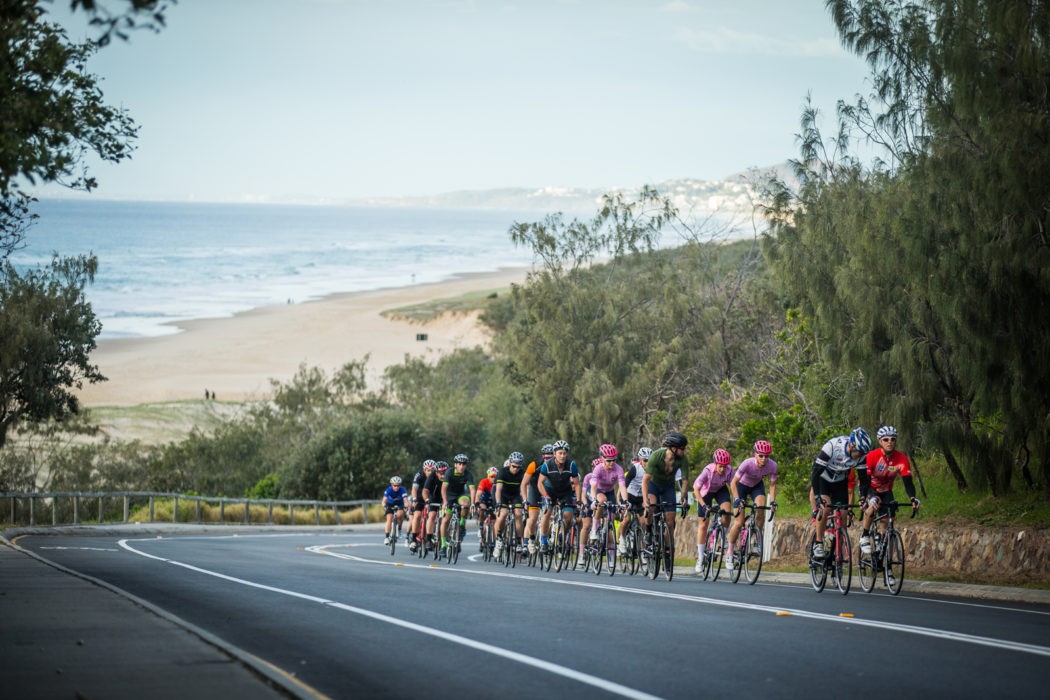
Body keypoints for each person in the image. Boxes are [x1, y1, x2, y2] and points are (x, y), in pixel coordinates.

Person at [859, 425, 921, 556]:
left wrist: (913, 498)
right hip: (870, 488)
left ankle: (887, 563)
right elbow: (866, 481)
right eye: (886, 439)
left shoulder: (901, 458)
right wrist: (867, 497)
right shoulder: (871, 456)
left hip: (886, 490)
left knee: (888, 524)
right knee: (873, 505)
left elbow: (908, 481)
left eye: (893, 439)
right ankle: (865, 535)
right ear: (880, 441)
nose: (890, 442)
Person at [810, 427, 871, 559]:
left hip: (840, 482)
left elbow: (863, 479)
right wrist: (817, 497)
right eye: (859, 452)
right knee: (825, 509)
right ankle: (819, 543)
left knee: (843, 515)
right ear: (852, 445)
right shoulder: (831, 447)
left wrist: (862, 498)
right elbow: (815, 474)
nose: (861, 456)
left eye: (863, 453)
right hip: (823, 479)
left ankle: (838, 552)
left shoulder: (861, 456)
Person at [727, 440, 778, 571]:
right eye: (761, 455)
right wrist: (737, 499)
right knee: (738, 523)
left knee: (760, 508)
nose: (764, 459)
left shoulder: (772, 466)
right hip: (741, 487)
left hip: (756, 486)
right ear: (755, 454)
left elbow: (772, 485)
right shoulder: (747, 463)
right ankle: (730, 553)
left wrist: (772, 502)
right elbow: (733, 483)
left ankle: (756, 540)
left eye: (766, 456)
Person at [641, 431, 691, 547]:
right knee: (651, 507)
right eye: (682, 448)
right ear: (673, 448)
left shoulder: (682, 459)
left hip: (668, 487)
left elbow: (684, 480)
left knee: (670, 520)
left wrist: (684, 497)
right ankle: (648, 530)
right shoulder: (656, 456)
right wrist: (645, 500)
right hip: (653, 485)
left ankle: (668, 548)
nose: (684, 451)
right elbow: (645, 480)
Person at [692, 448, 734, 573]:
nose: (722, 469)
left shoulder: (729, 470)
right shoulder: (707, 471)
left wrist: (738, 499)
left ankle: (723, 535)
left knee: (726, 512)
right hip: (705, 492)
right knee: (703, 525)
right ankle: (700, 557)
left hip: (721, 490)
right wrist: (704, 505)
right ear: (715, 463)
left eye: (725, 467)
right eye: (720, 466)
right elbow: (696, 489)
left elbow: (733, 487)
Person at [536, 442, 581, 554]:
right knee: (547, 513)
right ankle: (544, 541)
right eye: (560, 453)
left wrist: (579, 500)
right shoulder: (547, 465)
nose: (562, 456)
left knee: (568, 517)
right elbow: (540, 483)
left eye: (564, 453)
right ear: (554, 454)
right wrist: (546, 497)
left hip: (565, 491)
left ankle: (560, 537)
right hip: (550, 491)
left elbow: (577, 484)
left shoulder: (571, 465)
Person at [587, 444, 628, 549]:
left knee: (612, 519)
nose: (612, 463)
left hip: (610, 492)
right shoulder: (598, 469)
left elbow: (622, 486)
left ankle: (606, 535)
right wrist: (593, 500)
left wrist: (625, 501)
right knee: (601, 500)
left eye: (614, 460)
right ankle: (594, 529)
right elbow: (593, 486)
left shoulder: (618, 469)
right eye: (609, 460)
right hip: (599, 490)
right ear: (602, 459)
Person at [617, 447, 651, 555]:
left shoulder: (653, 470)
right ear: (641, 460)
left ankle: (643, 549)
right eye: (645, 460)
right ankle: (621, 540)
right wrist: (622, 501)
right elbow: (624, 484)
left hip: (641, 498)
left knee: (644, 522)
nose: (647, 463)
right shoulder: (635, 468)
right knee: (626, 520)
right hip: (630, 495)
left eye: (649, 460)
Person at [521, 443, 555, 551]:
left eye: (550, 457)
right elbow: (524, 483)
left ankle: (547, 538)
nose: (548, 459)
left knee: (549, 516)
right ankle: (529, 540)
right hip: (535, 489)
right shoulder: (534, 464)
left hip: (548, 490)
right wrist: (525, 499)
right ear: (542, 456)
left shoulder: (557, 465)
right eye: (545, 457)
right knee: (533, 518)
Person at [440, 453, 476, 553]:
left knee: (466, 504)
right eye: (459, 464)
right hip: (449, 496)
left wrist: (473, 503)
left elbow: (472, 490)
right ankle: (443, 545)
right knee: (445, 520)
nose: (461, 466)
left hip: (460, 495)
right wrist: (445, 502)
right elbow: (443, 489)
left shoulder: (468, 474)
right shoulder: (449, 472)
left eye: (464, 464)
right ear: (455, 464)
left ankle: (462, 524)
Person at [493, 452, 527, 558]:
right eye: (513, 466)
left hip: (515, 496)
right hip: (503, 495)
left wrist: (526, 501)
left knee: (518, 514)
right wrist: (498, 502)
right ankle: (498, 540)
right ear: (509, 463)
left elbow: (526, 488)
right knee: (503, 514)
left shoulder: (523, 473)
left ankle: (518, 542)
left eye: (518, 467)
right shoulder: (502, 472)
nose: (516, 469)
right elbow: (498, 490)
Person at [408, 459, 435, 551]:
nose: (430, 472)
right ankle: (414, 538)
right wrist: (414, 499)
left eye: (432, 470)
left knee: (433, 515)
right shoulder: (419, 475)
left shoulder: (436, 476)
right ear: (424, 470)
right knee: (417, 515)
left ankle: (430, 536)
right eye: (428, 470)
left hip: (430, 496)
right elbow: (414, 489)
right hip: (419, 496)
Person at [421, 461, 448, 550]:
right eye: (441, 473)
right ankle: (428, 539)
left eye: (445, 472)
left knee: (447, 517)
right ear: (436, 472)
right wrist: (427, 500)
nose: (443, 475)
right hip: (434, 498)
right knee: (432, 515)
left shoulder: (450, 477)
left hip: (447, 499)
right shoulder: (431, 477)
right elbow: (425, 491)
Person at [474, 466, 498, 547]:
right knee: (482, 509)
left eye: (495, 476)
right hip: (484, 499)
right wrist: (477, 503)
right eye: (492, 476)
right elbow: (478, 494)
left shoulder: (498, 483)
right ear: (488, 476)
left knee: (495, 520)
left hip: (493, 501)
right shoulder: (484, 482)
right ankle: (481, 525)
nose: (493, 478)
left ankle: (494, 540)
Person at [382, 476, 408, 545]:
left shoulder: (402, 490)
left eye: (398, 485)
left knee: (400, 514)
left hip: (400, 504)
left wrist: (406, 506)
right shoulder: (389, 490)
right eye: (395, 485)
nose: (396, 487)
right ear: (391, 485)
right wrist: (384, 506)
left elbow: (405, 500)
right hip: (390, 505)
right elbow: (384, 500)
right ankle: (387, 537)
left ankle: (399, 529)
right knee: (389, 519)